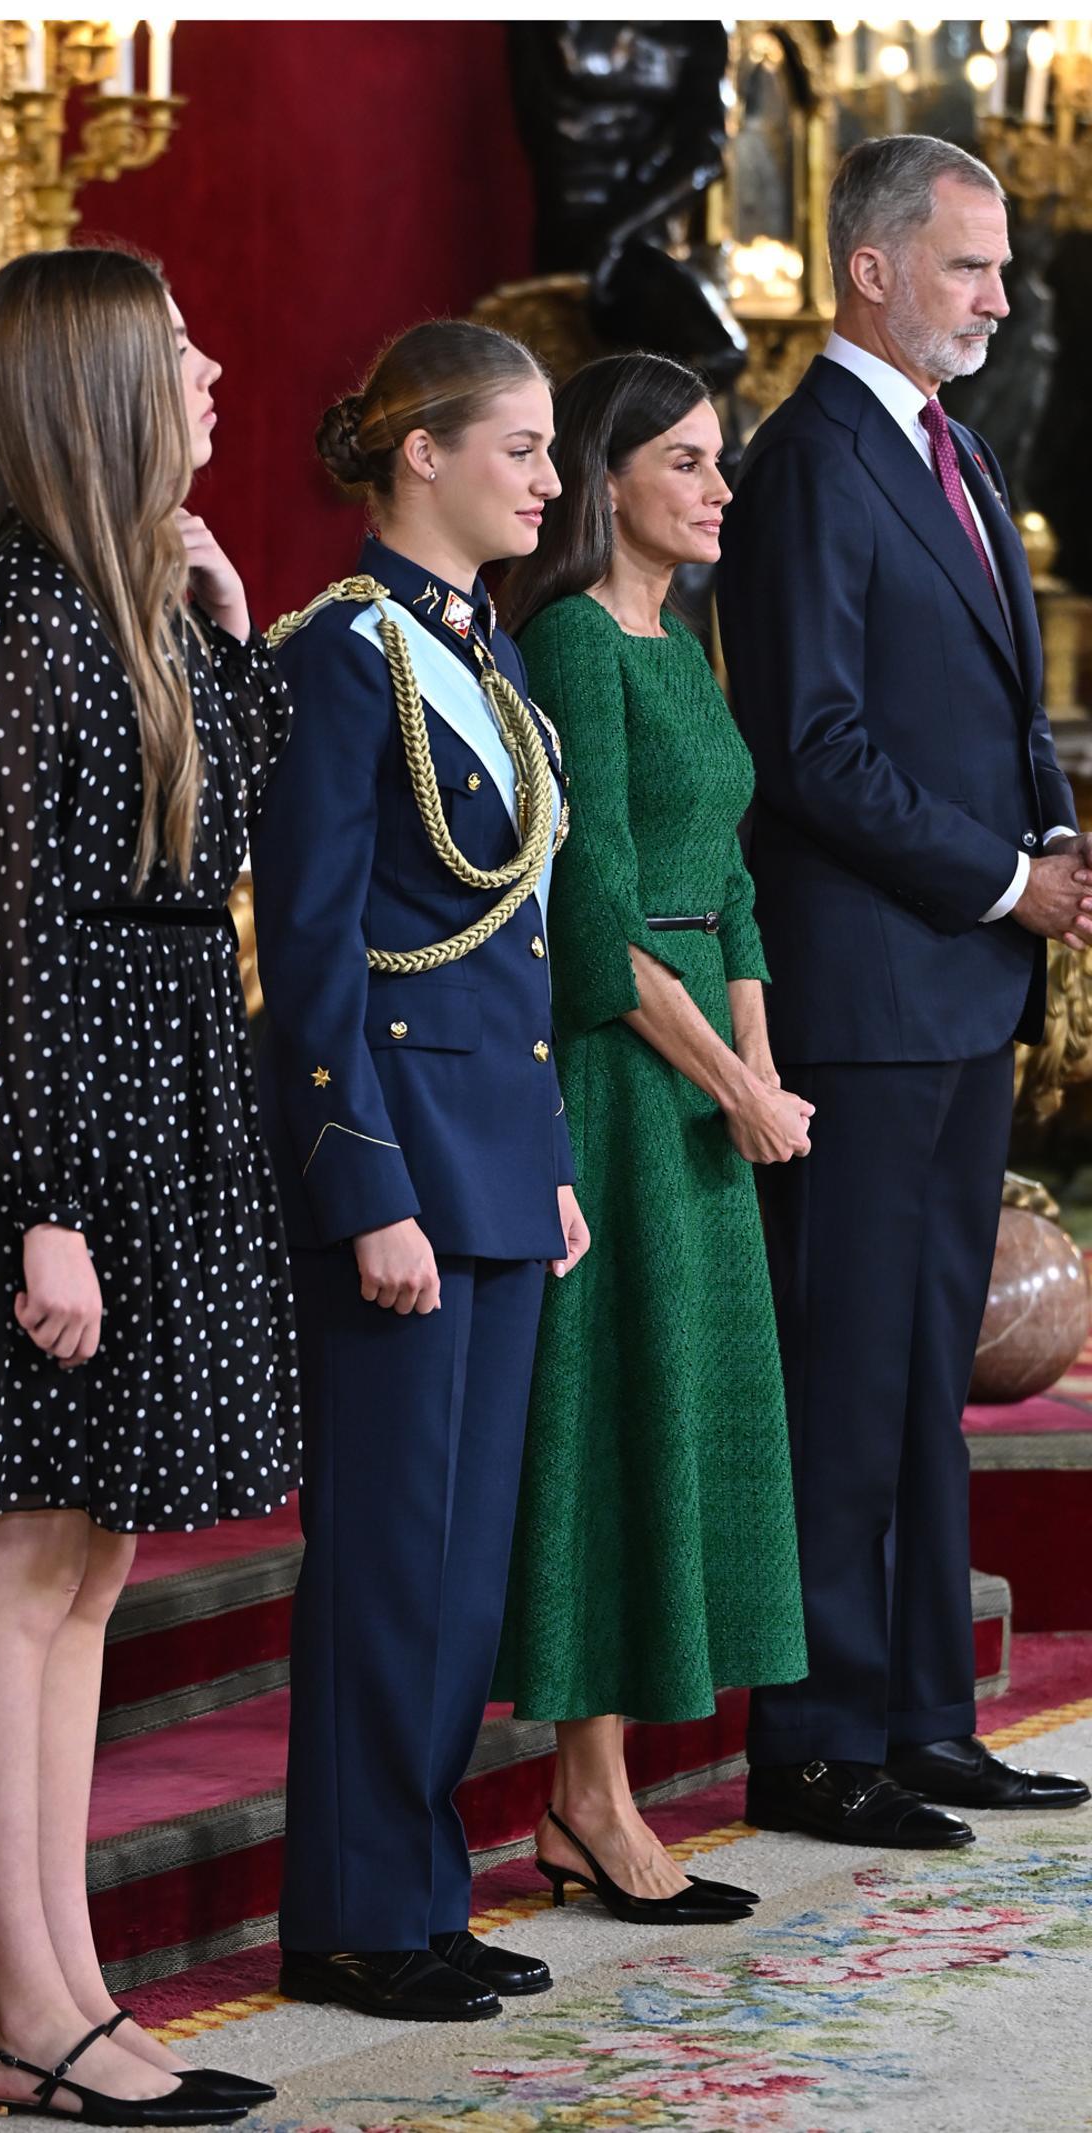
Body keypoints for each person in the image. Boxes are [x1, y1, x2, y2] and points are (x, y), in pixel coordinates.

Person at [0, 248, 296, 2121]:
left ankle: (67, 1987)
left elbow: (235, 833)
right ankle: (17, 2006)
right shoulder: (12, 624)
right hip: (40, 1135)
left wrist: (226, 622)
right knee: (11, 1565)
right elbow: (1, 937)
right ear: (100, 387)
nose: (212, 368)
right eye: (182, 347)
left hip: (162, 1107)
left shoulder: (121, 602)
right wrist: (45, 1198)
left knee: (92, 1569)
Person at [716, 134, 1091, 1846]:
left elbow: (1005, 710)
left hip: (962, 987)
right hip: (866, 996)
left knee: (927, 1367)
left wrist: (1055, 831)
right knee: (852, 1369)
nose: (1003, 299)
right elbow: (812, 748)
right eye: (971, 267)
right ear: (870, 269)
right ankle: (814, 1740)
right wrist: (1011, 878)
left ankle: (926, 1715)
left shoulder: (948, 448)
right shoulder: (806, 465)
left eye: (1001, 270)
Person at [253, 320, 590, 2024]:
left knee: (462, 1562)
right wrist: (362, 1181)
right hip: (398, 1162)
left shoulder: (495, 662)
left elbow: (508, 943)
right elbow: (308, 960)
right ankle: (354, 1911)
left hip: (496, 1159)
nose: (549, 477)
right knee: (389, 1551)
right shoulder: (337, 658)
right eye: (521, 447)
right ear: (421, 455)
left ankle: (420, 1887)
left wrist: (545, 1164)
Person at [492, 352, 809, 1922]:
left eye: (717, 461)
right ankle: (587, 1798)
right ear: (607, 480)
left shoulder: (683, 644)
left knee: (685, 1409)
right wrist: (729, 1083)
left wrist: (757, 1062)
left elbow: (731, 884)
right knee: (618, 1406)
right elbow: (602, 927)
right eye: (685, 461)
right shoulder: (567, 640)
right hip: (621, 1085)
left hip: (703, 1090)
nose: (716, 487)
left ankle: (598, 1792)